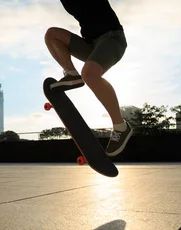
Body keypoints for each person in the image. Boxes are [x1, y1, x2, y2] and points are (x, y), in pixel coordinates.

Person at [45, 0, 132, 157]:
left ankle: (121, 126)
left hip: (112, 39)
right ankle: (71, 73)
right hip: (90, 45)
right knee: (52, 34)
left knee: (90, 75)